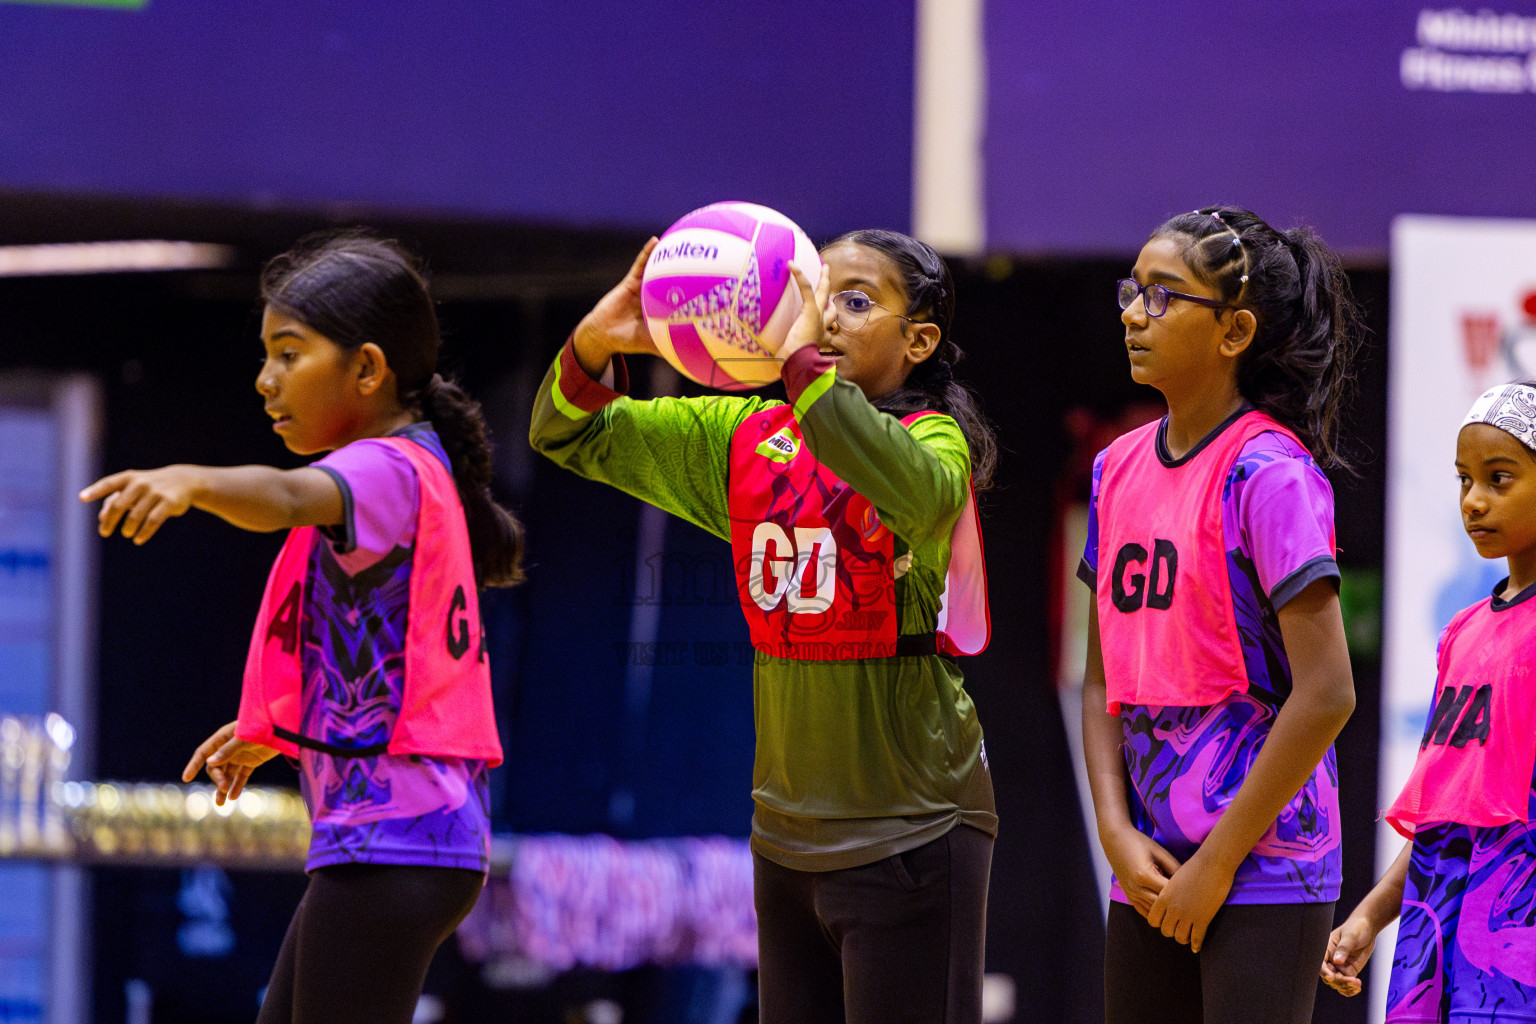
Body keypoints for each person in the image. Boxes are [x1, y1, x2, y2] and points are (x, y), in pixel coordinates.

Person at [530, 229, 997, 1024]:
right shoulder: (746, 437)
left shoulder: (931, 441)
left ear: (918, 341)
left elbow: (916, 493)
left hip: (912, 830)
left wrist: (805, 372)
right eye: (816, 292)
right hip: (782, 840)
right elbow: (570, 430)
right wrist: (594, 340)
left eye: (854, 301)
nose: (825, 316)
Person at [79, 231, 522, 1024]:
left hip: (397, 843)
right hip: (401, 841)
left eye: (288, 354)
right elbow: (382, 662)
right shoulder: (412, 468)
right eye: (265, 355)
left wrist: (188, 482)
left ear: (368, 368)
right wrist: (286, 730)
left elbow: (283, 498)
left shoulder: (385, 468)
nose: (264, 381)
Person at [1079, 206, 1362, 1024]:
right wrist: (1115, 833)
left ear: (1234, 331)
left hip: (1266, 865)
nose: (1133, 312)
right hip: (1149, 864)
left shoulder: (1270, 473)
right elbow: (1103, 677)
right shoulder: (1114, 469)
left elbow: (1327, 693)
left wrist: (1218, 865)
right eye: (1131, 290)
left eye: (1163, 296)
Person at [1320, 381, 1536, 1021]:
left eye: (1501, 479)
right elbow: (1449, 807)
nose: (1474, 501)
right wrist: (1370, 915)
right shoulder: (1461, 633)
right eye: (1464, 480)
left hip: (1514, 920)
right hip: (1432, 922)